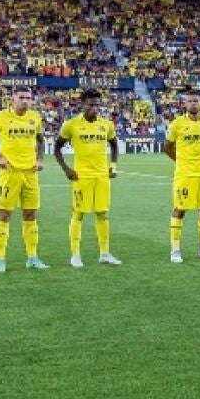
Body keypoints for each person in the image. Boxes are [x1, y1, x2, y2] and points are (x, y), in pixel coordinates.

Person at [0, 87, 47, 272]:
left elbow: (41, 140)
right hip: (9, 173)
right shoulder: (1, 117)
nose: (25, 101)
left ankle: (32, 258)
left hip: (31, 173)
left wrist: (40, 159)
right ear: (13, 99)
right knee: (4, 215)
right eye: (21, 97)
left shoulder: (35, 117)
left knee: (30, 215)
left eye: (28, 98)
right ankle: (0, 259)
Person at [55, 89, 121, 268]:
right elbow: (57, 148)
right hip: (81, 177)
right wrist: (66, 169)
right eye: (91, 105)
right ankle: (75, 255)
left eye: (97, 105)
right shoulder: (71, 125)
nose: (94, 108)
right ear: (82, 104)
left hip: (102, 177)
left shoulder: (106, 125)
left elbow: (114, 145)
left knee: (102, 214)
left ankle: (105, 254)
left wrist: (113, 165)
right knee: (78, 214)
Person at [165, 89, 200, 263]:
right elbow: (167, 147)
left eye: (196, 101)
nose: (193, 104)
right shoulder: (177, 124)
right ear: (185, 104)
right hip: (185, 174)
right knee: (180, 209)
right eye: (190, 101)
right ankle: (175, 250)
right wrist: (180, 161)